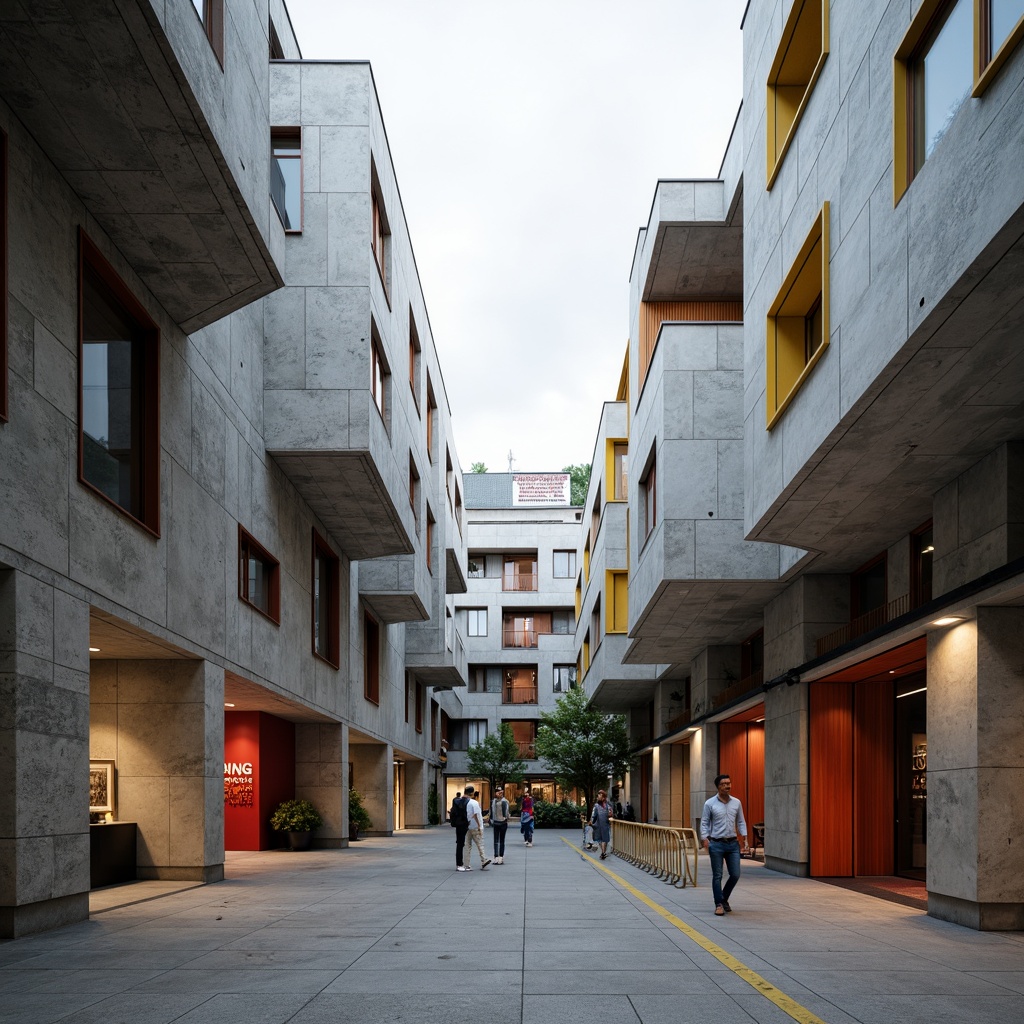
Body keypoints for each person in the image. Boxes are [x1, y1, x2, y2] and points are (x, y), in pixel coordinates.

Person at [699, 773, 749, 916]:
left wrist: (745, 838)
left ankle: (724, 898)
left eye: (729, 783)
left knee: (735, 874)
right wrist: (705, 838)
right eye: (724, 784)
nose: (727, 786)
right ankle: (719, 904)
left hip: (733, 844)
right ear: (718, 786)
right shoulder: (710, 803)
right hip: (716, 844)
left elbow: (741, 821)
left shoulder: (736, 802)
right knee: (717, 875)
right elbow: (704, 822)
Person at [463, 785, 490, 870]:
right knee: (480, 844)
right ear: (472, 793)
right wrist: (479, 826)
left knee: (467, 845)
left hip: (466, 826)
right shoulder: (473, 803)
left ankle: (466, 864)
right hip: (475, 826)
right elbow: (476, 815)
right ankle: (483, 859)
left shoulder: (462, 802)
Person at [590, 789, 614, 859]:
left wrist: (610, 814)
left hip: (603, 824)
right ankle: (603, 852)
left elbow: (610, 813)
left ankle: (603, 852)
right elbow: (593, 815)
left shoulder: (606, 805)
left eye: (600, 795)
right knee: (601, 839)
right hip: (600, 825)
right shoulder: (599, 806)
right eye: (598, 795)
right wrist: (592, 821)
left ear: (604, 797)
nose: (598, 797)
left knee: (603, 839)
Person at [489, 787, 510, 863]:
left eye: (501, 792)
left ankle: (500, 857)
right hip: (497, 822)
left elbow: (507, 813)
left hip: (502, 822)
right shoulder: (494, 801)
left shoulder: (505, 801)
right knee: (497, 840)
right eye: (498, 792)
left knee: (501, 840)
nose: (499, 794)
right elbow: (492, 811)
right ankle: (496, 856)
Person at [450, 791, 470, 871]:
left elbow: (453, 813)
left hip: (458, 824)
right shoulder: (468, 802)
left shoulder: (455, 801)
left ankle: (459, 863)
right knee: (464, 844)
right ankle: (461, 863)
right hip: (464, 824)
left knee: (459, 843)